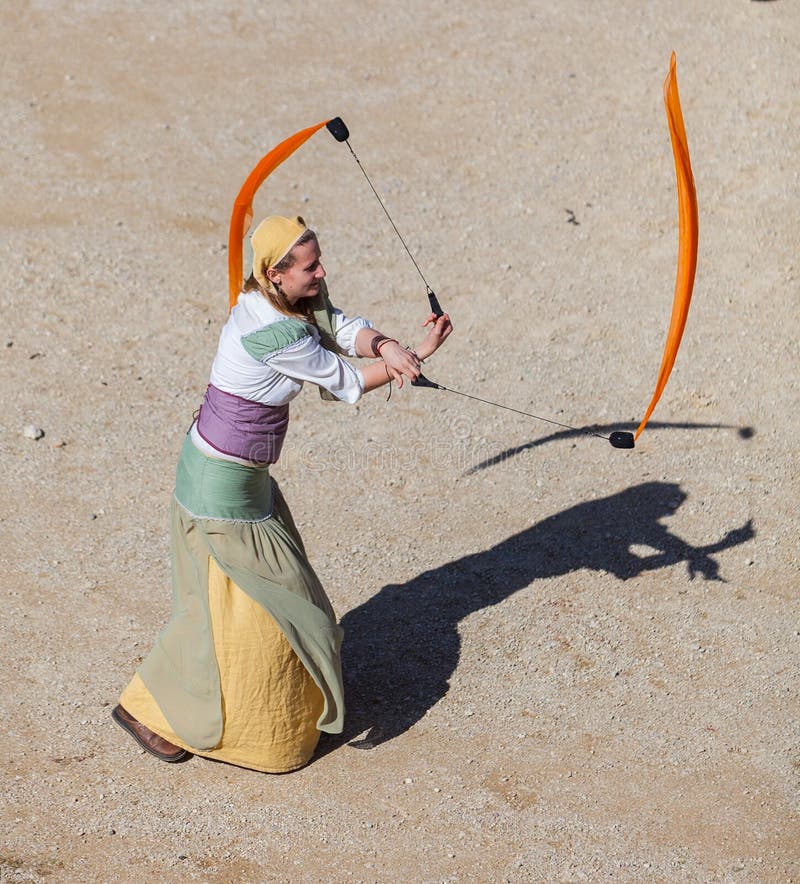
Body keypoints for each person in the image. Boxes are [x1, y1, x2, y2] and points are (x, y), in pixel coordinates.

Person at [113, 215, 453, 772]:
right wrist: (416, 354)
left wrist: (387, 344)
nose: (321, 273)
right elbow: (342, 378)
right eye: (310, 266)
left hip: (240, 481)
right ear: (275, 274)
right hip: (219, 488)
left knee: (234, 611)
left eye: (319, 260)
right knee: (292, 611)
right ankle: (149, 710)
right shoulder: (275, 331)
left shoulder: (281, 301)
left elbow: (338, 327)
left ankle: (203, 716)